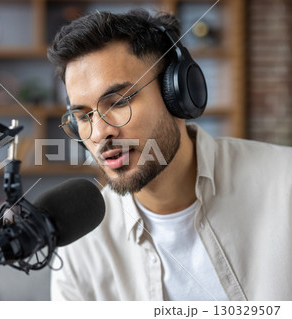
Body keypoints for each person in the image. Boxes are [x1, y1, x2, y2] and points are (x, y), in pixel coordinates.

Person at [47, 9, 292, 301]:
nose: (100, 133)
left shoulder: (284, 186)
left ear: (177, 94)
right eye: (84, 116)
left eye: (119, 102)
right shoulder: (80, 246)